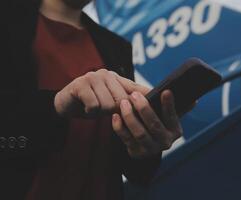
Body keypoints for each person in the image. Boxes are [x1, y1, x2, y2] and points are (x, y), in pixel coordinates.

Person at [0, 0, 184, 199]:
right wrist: (58, 105)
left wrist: (146, 144)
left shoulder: (117, 47)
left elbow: (134, 170)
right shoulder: (9, 19)